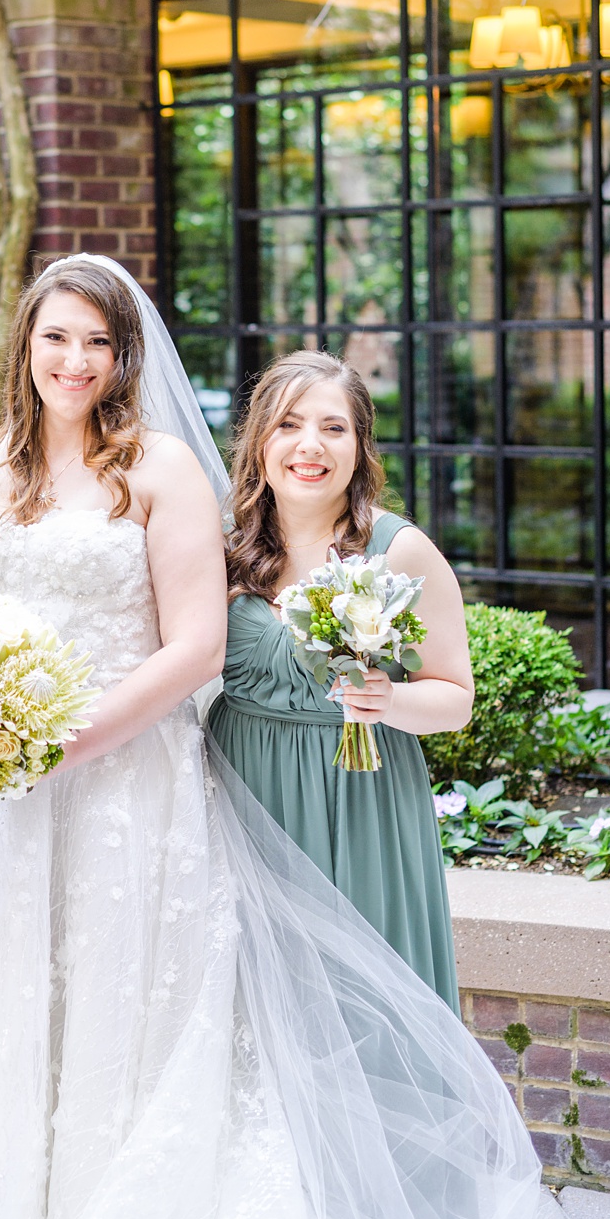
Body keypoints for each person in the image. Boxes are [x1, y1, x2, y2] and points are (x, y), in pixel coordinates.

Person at [0, 255, 610, 1219]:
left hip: (120, 786)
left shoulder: (161, 470)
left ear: (124, 355)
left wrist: (65, 737)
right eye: (56, 338)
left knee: (120, 1016)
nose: (74, 360)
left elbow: (194, 648)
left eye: (97, 341)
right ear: (24, 347)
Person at [209, 347, 472, 1005]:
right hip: (243, 787)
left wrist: (386, 698)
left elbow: (455, 699)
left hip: (359, 795)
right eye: (290, 425)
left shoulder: (399, 551)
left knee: (364, 992)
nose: (311, 446)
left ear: (359, 447)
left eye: (333, 428)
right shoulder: (221, 547)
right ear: (259, 442)